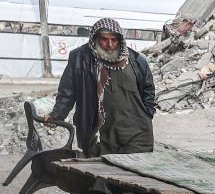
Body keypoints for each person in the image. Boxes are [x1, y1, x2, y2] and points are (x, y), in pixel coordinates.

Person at [45, 18, 156, 156]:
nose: (110, 44)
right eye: (104, 39)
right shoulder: (80, 58)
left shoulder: (136, 60)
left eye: (114, 39)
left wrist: (148, 113)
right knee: (100, 174)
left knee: (135, 175)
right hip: (99, 134)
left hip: (137, 133)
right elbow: (68, 91)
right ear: (95, 38)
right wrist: (57, 115)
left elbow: (148, 89)